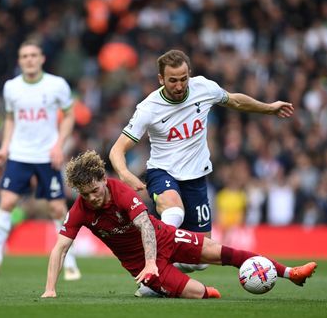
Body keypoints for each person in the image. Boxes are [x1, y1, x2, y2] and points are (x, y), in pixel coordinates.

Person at [109, 49, 294, 274]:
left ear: (190, 74)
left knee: (199, 261)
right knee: (173, 210)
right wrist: (125, 173)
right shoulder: (149, 108)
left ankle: (165, 266)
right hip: (162, 172)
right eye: (173, 80)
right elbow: (117, 149)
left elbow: (235, 101)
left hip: (195, 178)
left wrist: (269, 108)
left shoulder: (204, 88)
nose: (179, 86)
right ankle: (152, 269)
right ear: (161, 79)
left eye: (183, 79)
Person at [41, 150, 316, 299]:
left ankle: (290, 272)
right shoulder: (81, 209)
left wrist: (152, 261)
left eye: (95, 189)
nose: (93, 196)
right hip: (141, 264)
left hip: (163, 237)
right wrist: (50, 289)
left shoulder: (121, 192)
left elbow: (147, 227)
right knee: (203, 294)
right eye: (85, 193)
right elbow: (60, 249)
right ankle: (156, 288)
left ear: (103, 178)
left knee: (223, 252)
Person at [0, 40, 81, 281]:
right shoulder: (11, 88)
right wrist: (4, 149)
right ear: (19, 61)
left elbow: (69, 116)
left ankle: (70, 263)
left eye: (33, 55)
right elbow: (10, 119)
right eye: (24, 56)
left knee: (57, 208)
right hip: (19, 154)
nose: (29, 59)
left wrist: (59, 146)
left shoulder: (57, 85)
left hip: (47, 155)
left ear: (42, 58)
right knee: (6, 201)